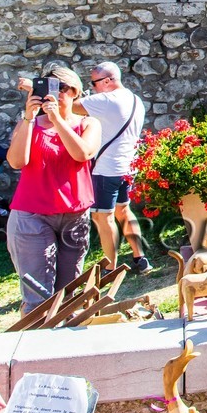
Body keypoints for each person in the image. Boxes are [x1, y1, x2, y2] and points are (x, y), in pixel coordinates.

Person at [6, 67, 100, 314]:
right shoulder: (29, 124)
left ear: (75, 92)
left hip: (74, 215)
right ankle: (35, 344)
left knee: (68, 293)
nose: (55, 94)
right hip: (32, 215)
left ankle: (64, 348)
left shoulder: (88, 123)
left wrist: (57, 120)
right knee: (38, 296)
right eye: (49, 87)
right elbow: (17, 162)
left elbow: (82, 153)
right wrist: (29, 117)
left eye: (62, 89)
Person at [79, 61, 150, 274]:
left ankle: (110, 267)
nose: (92, 88)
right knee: (124, 210)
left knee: (103, 217)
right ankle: (141, 258)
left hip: (106, 168)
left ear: (108, 81)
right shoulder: (135, 99)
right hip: (127, 167)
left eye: (94, 83)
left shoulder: (107, 100)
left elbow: (68, 107)